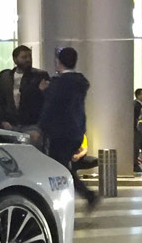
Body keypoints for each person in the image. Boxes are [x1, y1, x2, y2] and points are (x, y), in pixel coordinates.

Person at [38, 46, 97, 210]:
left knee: (58, 167)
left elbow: (52, 107)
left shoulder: (59, 83)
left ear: (58, 62)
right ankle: (84, 195)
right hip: (76, 131)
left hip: (60, 132)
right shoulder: (80, 82)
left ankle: (82, 195)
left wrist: (44, 91)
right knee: (62, 166)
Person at [0, 45, 48, 131]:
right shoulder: (5, 77)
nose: (28, 60)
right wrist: (2, 120)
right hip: (10, 123)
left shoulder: (39, 76)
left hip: (32, 123)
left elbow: (44, 101)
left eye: (29, 57)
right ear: (15, 60)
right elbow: (0, 100)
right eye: (24, 57)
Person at [134, 89, 142, 172]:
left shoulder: (140, 105)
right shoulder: (136, 105)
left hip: (140, 131)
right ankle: (135, 166)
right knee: (136, 148)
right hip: (137, 130)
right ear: (138, 95)